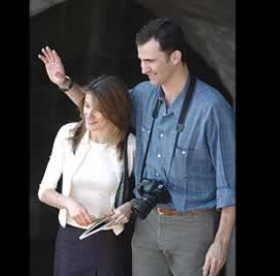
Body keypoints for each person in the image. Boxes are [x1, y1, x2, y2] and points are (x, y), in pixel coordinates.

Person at [38, 17, 235, 276]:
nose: (143, 68)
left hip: (194, 227)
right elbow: (100, 109)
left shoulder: (212, 107)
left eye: (150, 61)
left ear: (175, 57)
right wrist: (65, 83)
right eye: (141, 60)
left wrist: (221, 243)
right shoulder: (144, 94)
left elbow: (229, 184)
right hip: (147, 223)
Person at [35, 68, 136, 275]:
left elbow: (143, 192)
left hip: (110, 244)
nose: (89, 114)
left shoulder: (131, 145)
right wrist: (69, 203)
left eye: (97, 109)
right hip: (70, 241)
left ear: (114, 111)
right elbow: (44, 191)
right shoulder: (67, 134)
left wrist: (128, 207)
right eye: (87, 105)